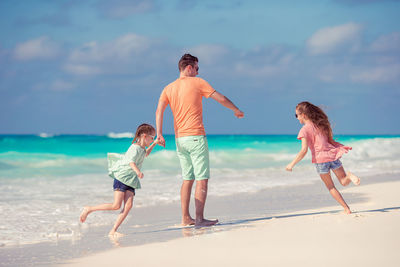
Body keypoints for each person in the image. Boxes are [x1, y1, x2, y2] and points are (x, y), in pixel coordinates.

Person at [156, 53, 244, 227]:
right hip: (196, 137)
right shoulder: (198, 82)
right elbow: (221, 98)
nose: (197, 72)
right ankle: (199, 219)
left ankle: (185, 218)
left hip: (180, 140)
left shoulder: (168, 88)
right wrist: (236, 109)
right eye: (197, 68)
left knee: (187, 179)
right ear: (189, 68)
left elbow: (159, 111)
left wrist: (159, 133)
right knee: (202, 178)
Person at [79, 123, 159, 237]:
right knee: (116, 205)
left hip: (131, 179)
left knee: (128, 205)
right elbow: (131, 162)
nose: (153, 139)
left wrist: (154, 144)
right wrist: (138, 172)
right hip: (123, 177)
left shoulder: (142, 148)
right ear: (144, 136)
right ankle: (89, 209)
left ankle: (113, 230)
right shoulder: (134, 148)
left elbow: (145, 154)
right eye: (152, 137)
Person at [286, 101, 360, 214]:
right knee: (344, 181)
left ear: (304, 115)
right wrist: (339, 147)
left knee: (331, 187)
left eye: (297, 115)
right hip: (333, 156)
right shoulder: (321, 125)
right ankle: (349, 176)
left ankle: (346, 209)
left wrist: (292, 164)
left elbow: (303, 150)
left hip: (321, 161)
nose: (296, 118)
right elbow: (330, 141)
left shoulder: (304, 130)